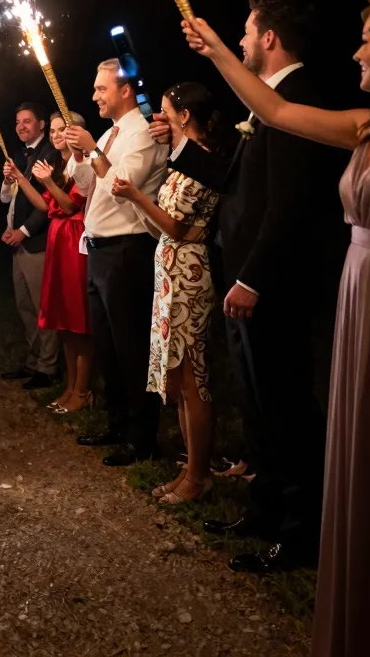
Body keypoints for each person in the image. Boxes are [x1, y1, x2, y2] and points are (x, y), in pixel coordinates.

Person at [181, 0, 370, 657]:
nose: (356, 50)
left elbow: (288, 202)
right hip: (361, 292)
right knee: (352, 433)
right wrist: (218, 50)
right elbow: (275, 110)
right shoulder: (365, 125)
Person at [160, 0, 331, 572]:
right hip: (241, 277)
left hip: (271, 283)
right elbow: (236, 184)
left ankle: (302, 529)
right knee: (258, 405)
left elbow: (288, 204)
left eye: (246, 31)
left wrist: (254, 277)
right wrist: (181, 149)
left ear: (270, 39)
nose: (240, 40)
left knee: (285, 404)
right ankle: (262, 510)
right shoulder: (265, 105)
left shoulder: (299, 100)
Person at [111, 83, 231, 505]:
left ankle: (200, 476)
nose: (156, 119)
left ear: (184, 115)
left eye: (163, 111)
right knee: (178, 379)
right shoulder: (182, 162)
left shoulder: (206, 162)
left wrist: (135, 196)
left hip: (189, 273)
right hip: (170, 268)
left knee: (192, 376)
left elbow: (179, 227)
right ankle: (189, 469)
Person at [63, 59, 168, 467]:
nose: (94, 96)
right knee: (107, 345)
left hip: (129, 248)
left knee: (131, 346)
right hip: (100, 248)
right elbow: (88, 187)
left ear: (125, 90)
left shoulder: (143, 134)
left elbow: (123, 187)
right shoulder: (110, 133)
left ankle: (142, 436)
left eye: (101, 88)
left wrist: (92, 150)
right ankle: (116, 422)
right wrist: (79, 155)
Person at [4, 112, 94, 414]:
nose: (56, 135)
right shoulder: (61, 165)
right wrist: (22, 179)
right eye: (53, 130)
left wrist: (47, 182)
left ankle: (83, 389)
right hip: (58, 238)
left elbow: (69, 205)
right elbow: (44, 204)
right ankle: (70, 388)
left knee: (77, 319)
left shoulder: (81, 165)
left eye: (61, 130)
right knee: (64, 320)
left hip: (73, 239)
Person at [0, 103, 60, 389]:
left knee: (43, 307)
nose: (21, 126)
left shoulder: (49, 152)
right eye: (18, 122)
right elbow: (8, 199)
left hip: (37, 242)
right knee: (25, 307)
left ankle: (48, 368)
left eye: (27, 121)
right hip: (18, 243)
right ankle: (33, 361)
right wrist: (8, 180)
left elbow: (47, 204)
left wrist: (23, 231)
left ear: (41, 124)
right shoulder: (20, 157)